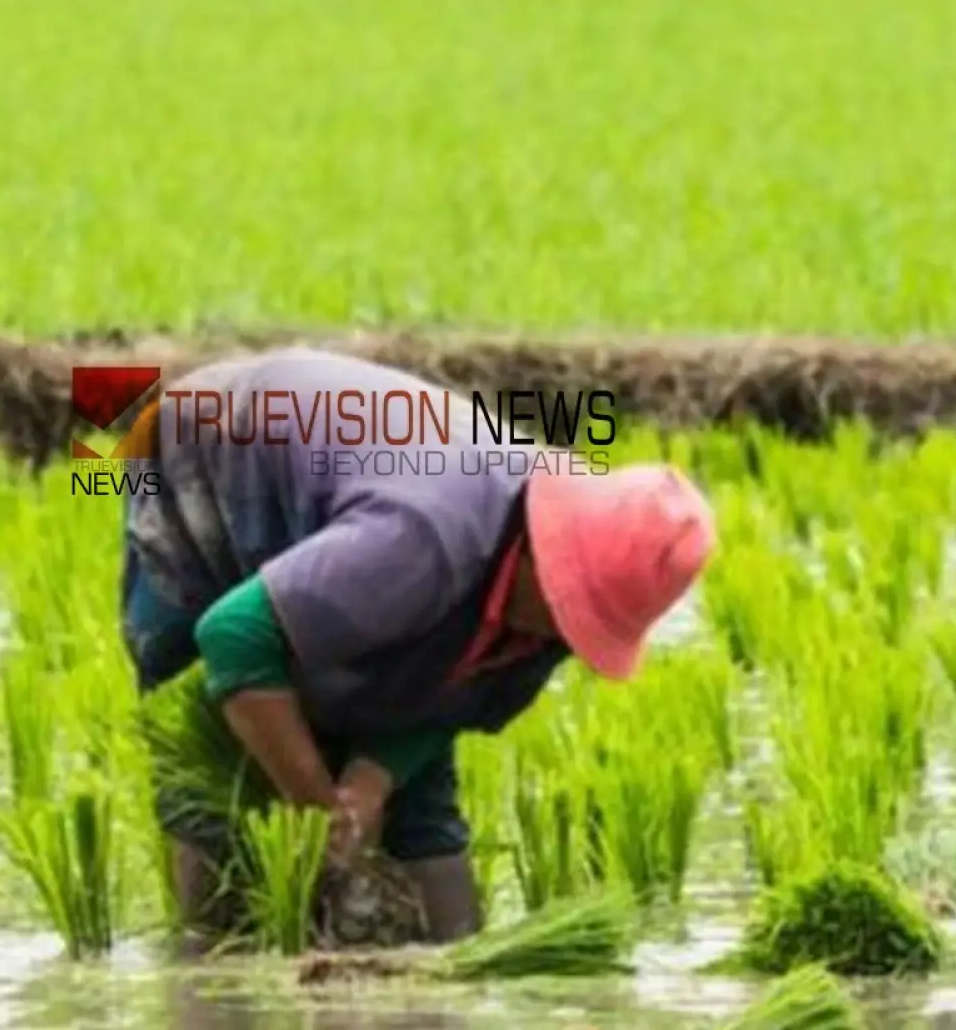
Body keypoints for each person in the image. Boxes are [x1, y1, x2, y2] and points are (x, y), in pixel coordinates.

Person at [116, 347, 716, 948]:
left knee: (418, 813)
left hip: (367, 517)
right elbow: (232, 637)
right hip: (208, 452)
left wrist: (369, 783)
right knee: (208, 778)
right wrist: (318, 807)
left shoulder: (547, 616)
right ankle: (204, 971)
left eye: (586, 624)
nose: (561, 638)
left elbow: (449, 702)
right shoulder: (420, 539)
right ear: (541, 552)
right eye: (569, 609)